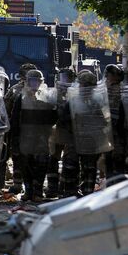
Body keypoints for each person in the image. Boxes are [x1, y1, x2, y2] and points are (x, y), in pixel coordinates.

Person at [11, 69, 57, 201]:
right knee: (26, 165)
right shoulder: (21, 97)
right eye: (31, 81)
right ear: (27, 81)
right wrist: (16, 137)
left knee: (41, 165)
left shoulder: (47, 96)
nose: (34, 84)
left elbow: (54, 116)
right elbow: (15, 118)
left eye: (37, 81)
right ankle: (29, 191)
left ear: (41, 82)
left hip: (42, 138)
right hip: (25, 137)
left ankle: (37, 192)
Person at [69, 70, 113, 195]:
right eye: (84, 85)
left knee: (90, 167)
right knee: (72, 166)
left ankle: (87, 192)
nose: (86, 88)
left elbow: (104, 121)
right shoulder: (73, 100)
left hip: (91, 139)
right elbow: (64, 118)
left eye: (89, 86)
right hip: (76, 138)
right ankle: (72, 192)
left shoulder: (98, 101)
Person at [4, 63, 37, 195]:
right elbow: (7, 108)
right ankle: (19, 184)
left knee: (31, 158)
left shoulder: (40, 90)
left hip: (33, 130)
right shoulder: (15, 90)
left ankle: (29, 186)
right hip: (19, 128)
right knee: (18, 157)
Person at [50, 68, 77, 198]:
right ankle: (52, 186)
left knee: (69, 160)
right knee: (53, 158)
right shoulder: (53, 93)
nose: (65, 81)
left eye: (68, 78)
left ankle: (65, 186)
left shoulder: (76, 93)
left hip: (70, 131)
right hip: (56, 129)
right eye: (63, 77)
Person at [103, 64, 127, 177]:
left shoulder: (123, 89)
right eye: (108, 75)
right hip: (106, 126)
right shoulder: (102, 88)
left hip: (119, 126)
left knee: (119, 154)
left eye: (111, 75)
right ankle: (109, 177)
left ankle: (119, 178)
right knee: (107, 154)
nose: (109, 77)